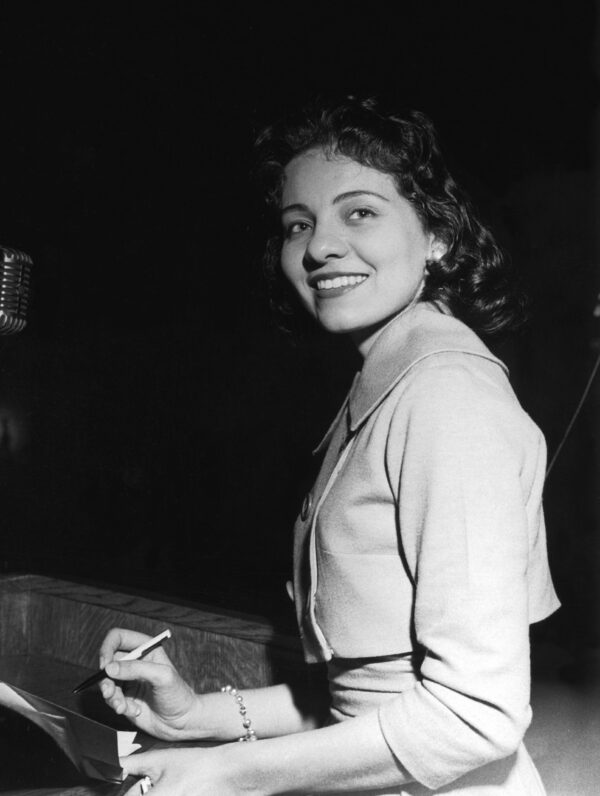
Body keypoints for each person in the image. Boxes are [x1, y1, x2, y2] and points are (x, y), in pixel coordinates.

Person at [99, 96, 560, 795]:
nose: (318, 246)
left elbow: (475, 717)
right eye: (298, 224)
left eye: (360, 212)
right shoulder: (387, 385)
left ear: (437, 235)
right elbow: (369, 697)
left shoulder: (447, 399)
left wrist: (229, 775)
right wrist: (199, 718)